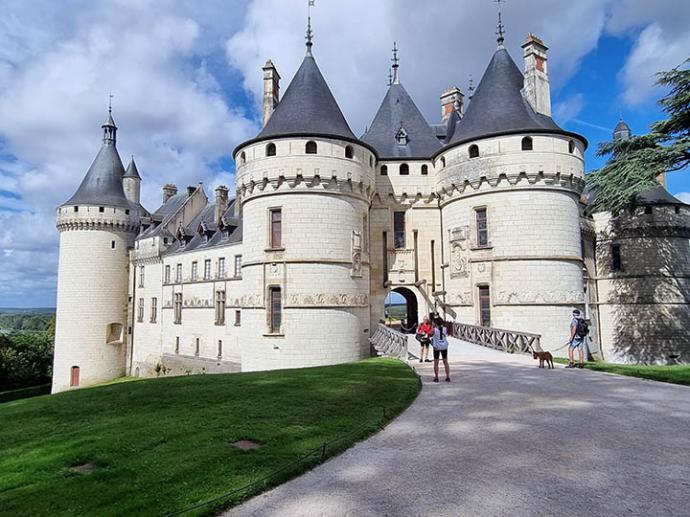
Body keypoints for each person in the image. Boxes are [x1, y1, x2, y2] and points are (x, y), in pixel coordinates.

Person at [431, 318, 451, 382]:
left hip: (437, 346)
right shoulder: (445, 329)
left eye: (433, 322)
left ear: (436, 323)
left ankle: (436, 377)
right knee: (445, 361)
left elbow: (430, 334)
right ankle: (447, 376)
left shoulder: (434, 329)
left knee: (436, 362)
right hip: (444, 346)